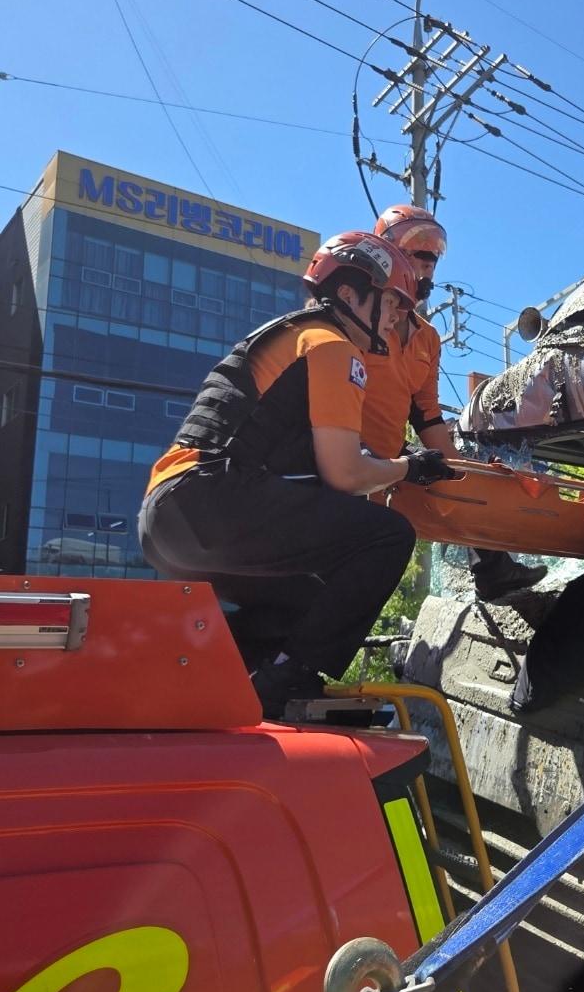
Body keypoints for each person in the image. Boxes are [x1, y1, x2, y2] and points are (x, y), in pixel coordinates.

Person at [138, 230, 457, 712]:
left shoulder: (296, 336)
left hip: (167, 518)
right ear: (348, 294)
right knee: (389, 536)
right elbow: (345, 474)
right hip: (211, 501)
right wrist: (409, 466)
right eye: (391, 301)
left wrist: (392, 462)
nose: (396, 316)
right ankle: (286, 678)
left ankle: (213, 679)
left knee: (307, 600)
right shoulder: (334, 347)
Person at [366, 202, 547, 601]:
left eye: (434, 255)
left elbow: (427, 415)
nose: (428, 263)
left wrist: (462, 473)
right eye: (418, 250)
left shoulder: (427, 337)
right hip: (343, 445)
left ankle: (494, 571)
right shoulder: (359, 319)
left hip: (389, 452)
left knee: (462, 478)